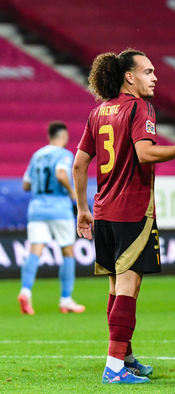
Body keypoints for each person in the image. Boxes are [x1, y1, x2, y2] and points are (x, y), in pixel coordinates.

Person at [73, 48, 175, 384]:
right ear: (129, 77)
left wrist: (82, 209)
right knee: (128, 287)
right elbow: (145, 154)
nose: (154, 77)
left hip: (102, 211)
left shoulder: (98, 112)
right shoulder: (139, 107)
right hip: (131, 210)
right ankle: (114, 368)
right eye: (148, 71)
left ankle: (126, 358)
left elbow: (78, 163)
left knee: (118, 287)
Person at [18, 121, 85, 315]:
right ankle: (66, 300)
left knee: (34, 251)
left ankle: (25, 291)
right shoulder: (64, 154)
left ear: (49, 136)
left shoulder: (37, 155)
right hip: (59, 208)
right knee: (68, 253)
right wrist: (72, 193)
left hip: (37, 208)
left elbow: (25, 185)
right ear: (63, 137)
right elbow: (61, 173)